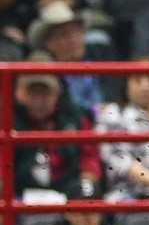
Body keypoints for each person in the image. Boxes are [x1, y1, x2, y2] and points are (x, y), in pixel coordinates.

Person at [11, 71, 100, 200]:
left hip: (69, 195)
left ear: (57, 92)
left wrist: (83, 191)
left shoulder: (75, 118)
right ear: (18, 93)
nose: (39, 101)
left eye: (45, 92)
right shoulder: (7, 120)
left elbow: (89, 159)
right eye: (32, 92)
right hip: (18, 196)